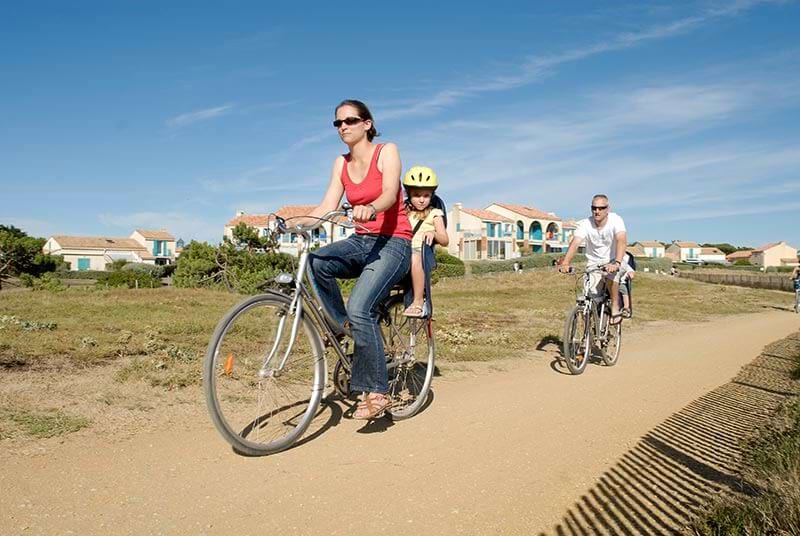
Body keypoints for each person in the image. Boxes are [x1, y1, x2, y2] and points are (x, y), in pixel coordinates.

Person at [304, 99, 412, 420]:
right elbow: (326, 205)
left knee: (360, 306)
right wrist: (295, 223)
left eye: (350, 121)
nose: (343, 127)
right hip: (361, 241)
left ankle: (377, 390)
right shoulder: (341, 163)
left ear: (367, 123)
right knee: (315, 261)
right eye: (337, 123)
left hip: (394, 242)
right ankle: (342, 328)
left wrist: (373, 207)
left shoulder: (386, 151)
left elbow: (391, 192)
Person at [558, 194, 628, 324]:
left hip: (613, 260)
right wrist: (566, 262)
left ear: (608, 209)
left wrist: (617, 262)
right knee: (589, 298)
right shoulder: (586, 224)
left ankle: (615, 305)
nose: (597, 211)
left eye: (601, 208)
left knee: (611, 277)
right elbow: (575, 242)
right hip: (593, 263)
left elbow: (621, 241)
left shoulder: (616, 220)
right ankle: (591, 331)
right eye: (594, 208)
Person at [402, 166, 448, 317]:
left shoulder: (435, 214)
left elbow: (445, 240)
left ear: (432, 195)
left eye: (426, 195)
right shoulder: (403, 212)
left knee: (415, 258)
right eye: (416, 195)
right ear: (408, 194)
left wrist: (434, 233)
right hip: (403, 250)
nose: (421, 200)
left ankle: (418, 301)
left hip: (419, 253)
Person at [619, 251, 636, 318]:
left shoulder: (628, 257)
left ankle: (626, 308)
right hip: (609, 279)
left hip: (621, 281)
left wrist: (631, 274)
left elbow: (631, 270)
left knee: (624, 291)